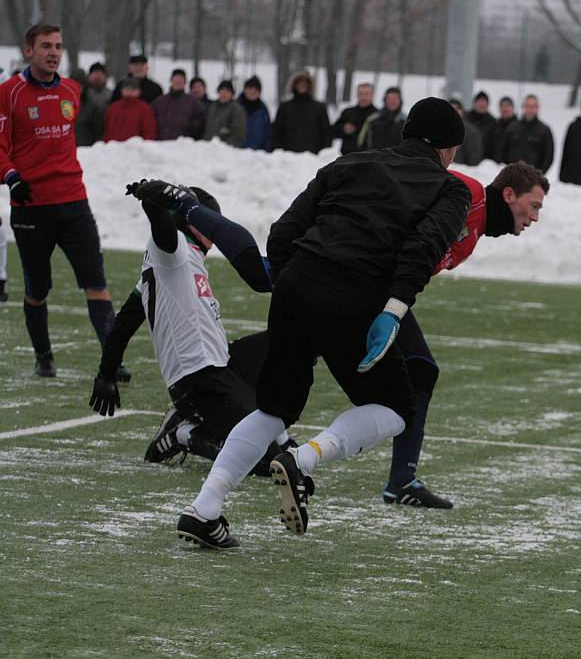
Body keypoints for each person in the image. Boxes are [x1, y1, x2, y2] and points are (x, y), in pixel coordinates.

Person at [174, 97, 470, 549]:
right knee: (396, 409)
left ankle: (204, 510)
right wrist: (392, 310)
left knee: (274, 409)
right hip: (356, 296)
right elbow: (422, 250)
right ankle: (303, 459)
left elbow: (283, 231)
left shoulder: (350, 161)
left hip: (298, 283)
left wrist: (299, 282)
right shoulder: (451, 189)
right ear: (448, 149)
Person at [89, 181, 291, 475]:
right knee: (263, 462)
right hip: (198, 380)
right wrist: (153, 202)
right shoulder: (172, 251)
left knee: (293, 341)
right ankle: (182, 432)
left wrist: (107, 373)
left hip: (223, 363)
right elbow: (162, 229)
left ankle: (280, 437)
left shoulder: (179, 260)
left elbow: (124, 324)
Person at [386, 161, 547, 507]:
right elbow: (402, 179)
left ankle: (401, 479)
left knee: (418, 372)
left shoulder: (473, 232)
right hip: (364, 281)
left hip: (380, 291)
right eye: (533, 206)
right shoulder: (469, 194)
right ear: (508, 195)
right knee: (417, 371)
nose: (535, 217)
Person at [0, 24, 126, 379]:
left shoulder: (72, 89)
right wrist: (11, 177)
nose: (53, 52)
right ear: (29, 51)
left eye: (58, 45)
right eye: (45, 46)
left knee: (96, 282)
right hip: (31, 208)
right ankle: (44, 357)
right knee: (37, 289)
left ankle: (112, 360)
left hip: (74, 202)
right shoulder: (8, 93)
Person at [272, 70, 331, 153]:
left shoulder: (320, 108)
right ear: (294, 85)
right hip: (287, 157)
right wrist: (279, 152)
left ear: (310, 86)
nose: (302, 85)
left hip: (313, 157)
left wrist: (323, 154)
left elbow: (327, 133)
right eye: (299, 82)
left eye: (305, 82)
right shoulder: (284, 107)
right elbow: (276, 132)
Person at [501, 94, 555, 173]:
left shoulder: (544, 130)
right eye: (528, 106)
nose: (530, 109)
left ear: (538, 108)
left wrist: (539, 174)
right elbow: (502, 150)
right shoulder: (513, 128)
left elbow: (548, 156)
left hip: (533, 178)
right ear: (523, 107)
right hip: (512, 175)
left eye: (533, 106)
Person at [151, 68, 206, 141]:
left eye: (181, 80)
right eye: (176, 80)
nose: (178, 82)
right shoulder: (159, 101)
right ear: (171, 80)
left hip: (182, 146)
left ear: (185, 82)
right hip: (161, 144)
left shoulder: (194, 103)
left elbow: (201, 122)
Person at [356, 86, 405, 151]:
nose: (392, 101)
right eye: (390, 98)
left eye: (395, 98)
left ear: (400, 101)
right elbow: (360, 142)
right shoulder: (372, 119)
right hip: (373, 159)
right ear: (385, 100)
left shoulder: (406, 121)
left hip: (397, 160)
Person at [333, 82, 376, 155]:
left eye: (367, 94)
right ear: (357, 95)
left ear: (372, 95)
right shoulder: (347, 112)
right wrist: (343, 128)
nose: (364, 97)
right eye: (361, 94)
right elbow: (333, 132)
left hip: (369, 158)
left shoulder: (378, 115)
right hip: (347, 157)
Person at [75, 62, 111, 146]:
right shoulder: (83, 93)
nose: (98, 77)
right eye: (95, 73)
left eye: (101, 74)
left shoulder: (110, 95)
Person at [203, 80, 247, 147]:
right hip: (208, 147)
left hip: (226, 150)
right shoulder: (212, 107)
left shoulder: (237, 109)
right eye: (222, 90)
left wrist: (223, 146)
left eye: (227, 91)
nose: (224, 94)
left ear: (232, 94)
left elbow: (238, 133)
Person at [238, 76, 272, 152]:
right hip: (237, 154)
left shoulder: (263, 109)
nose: (253, 91)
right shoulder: (236, 107)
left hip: (257, 155)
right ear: (245, 90)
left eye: (256, 89)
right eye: (250, 88)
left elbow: (268, 133)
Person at [450, 99, 483, 166]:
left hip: (462, 171)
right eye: (450, 109)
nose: (453, 112)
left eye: (456, 109)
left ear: (462, 111)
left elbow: (474, 159)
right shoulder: (438, 129)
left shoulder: (471, 132)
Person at [467, 91, 497, 160]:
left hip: (485, 162)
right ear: (474, 103)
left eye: (484, 102)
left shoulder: (493, 122)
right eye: (479, 101)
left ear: (488, 104)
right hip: (465, 161)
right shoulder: (466, 118)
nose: (481, 104)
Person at [490, 96, 516, 162]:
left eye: (507, 106)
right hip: (494, 166)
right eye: (503, 106)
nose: (505, 109)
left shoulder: (519, 127)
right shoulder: (494, 126)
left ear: (512, 108)